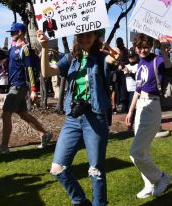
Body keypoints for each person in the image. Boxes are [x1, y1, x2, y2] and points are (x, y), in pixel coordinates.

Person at [38, 28, 120, 206]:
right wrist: (44, 48)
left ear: (96, 36)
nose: (84, 38)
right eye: (80, 35)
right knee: (58, 168)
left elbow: (112, 59)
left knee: (96, 170)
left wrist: (116, 56)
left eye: (88, 34)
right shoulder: (71, 58)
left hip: (96, 117)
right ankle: (80, 201)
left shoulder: (101, 56)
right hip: (73, 119)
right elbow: (46, 72)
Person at [0, 23, 52, 156]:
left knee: (6, 114)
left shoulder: (25, 48)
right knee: (23, 113)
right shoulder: (14, 47)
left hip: (19, 86)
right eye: (11, 32)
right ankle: (44, 134)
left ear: (21, 32)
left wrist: (34, 90)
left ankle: (4, 146)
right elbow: (6, 53)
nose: (11, 34)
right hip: (15, 85)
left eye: (14, 32)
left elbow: (30, 69)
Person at [124, 33, 172, 199]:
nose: (143, 50)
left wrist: (164, 50)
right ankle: (149, 184)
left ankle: (161, 177)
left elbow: (168, 68)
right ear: (135, 47)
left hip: (152, 105)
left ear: (151, 46)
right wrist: (130, 111)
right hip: (140, 106)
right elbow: (138, 90)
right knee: (143, 150)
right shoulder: (140, 63)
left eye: (146, 46)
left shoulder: (156, 59)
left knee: (135, 153)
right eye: (139, 47)